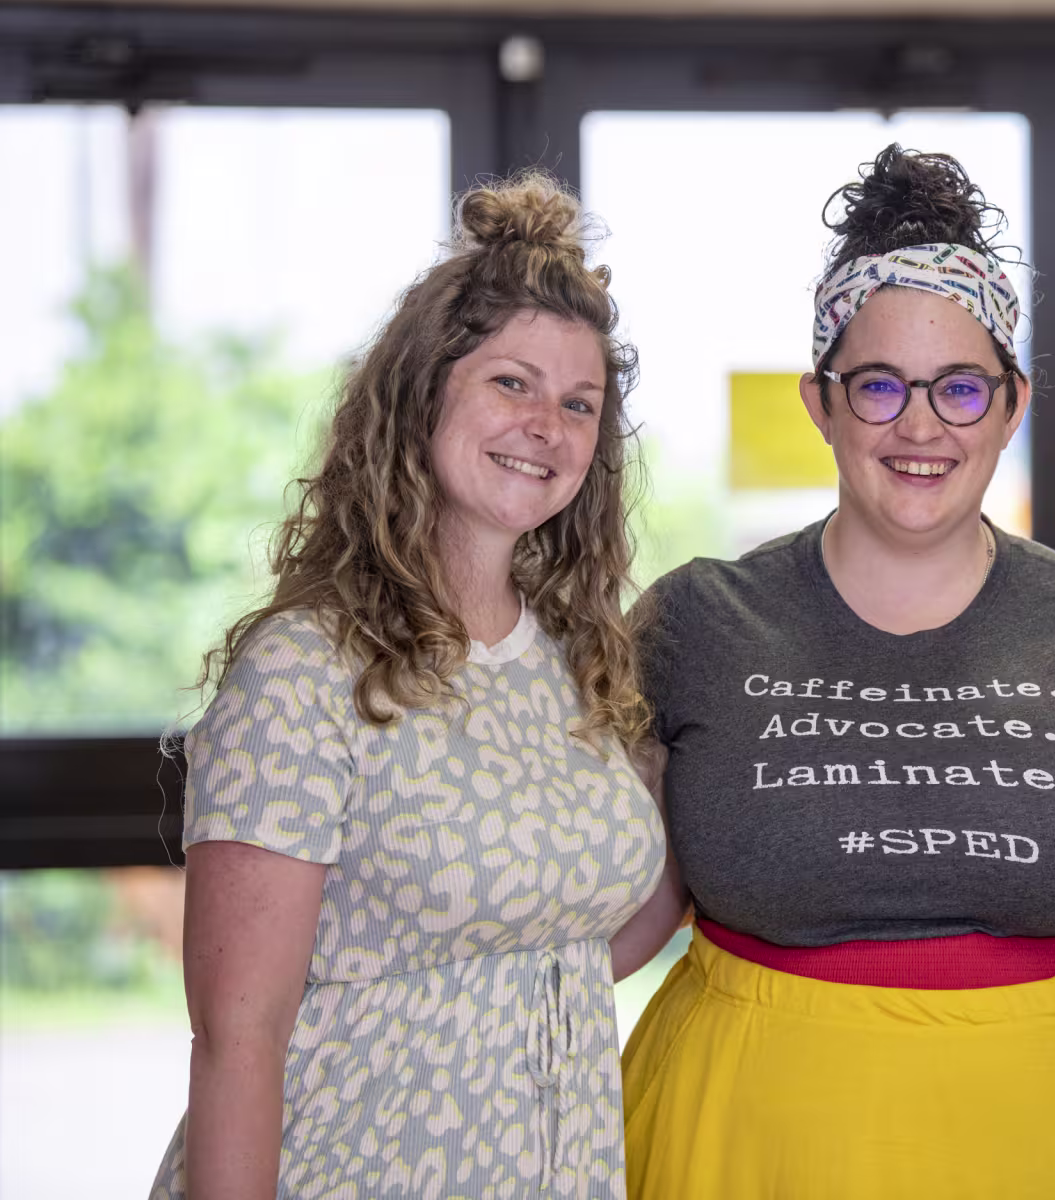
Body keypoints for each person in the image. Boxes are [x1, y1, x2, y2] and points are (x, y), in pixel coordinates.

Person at [616, 144, 1055, 1200]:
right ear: (820, 402)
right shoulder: (697, 622)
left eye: (961, 387)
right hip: (748, 1143)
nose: (921, 425)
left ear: (1013, 405)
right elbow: (628, 913)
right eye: (879, 385)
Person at [151, 173, 683, 1199]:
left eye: (580, 404)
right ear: (422, 390)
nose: (548, 424)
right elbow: (235, 1034)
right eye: (512, 383)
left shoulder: (580, 660)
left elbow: (567, 931)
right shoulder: (306, 670)